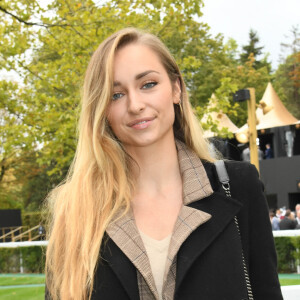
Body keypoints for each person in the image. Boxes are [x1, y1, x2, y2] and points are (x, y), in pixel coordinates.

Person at [45, 28, 282, 300]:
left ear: (176, 89)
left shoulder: (237, 185)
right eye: (116, 95)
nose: (135, 105)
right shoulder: (75, 209)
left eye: (148, 84)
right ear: (102, 110)